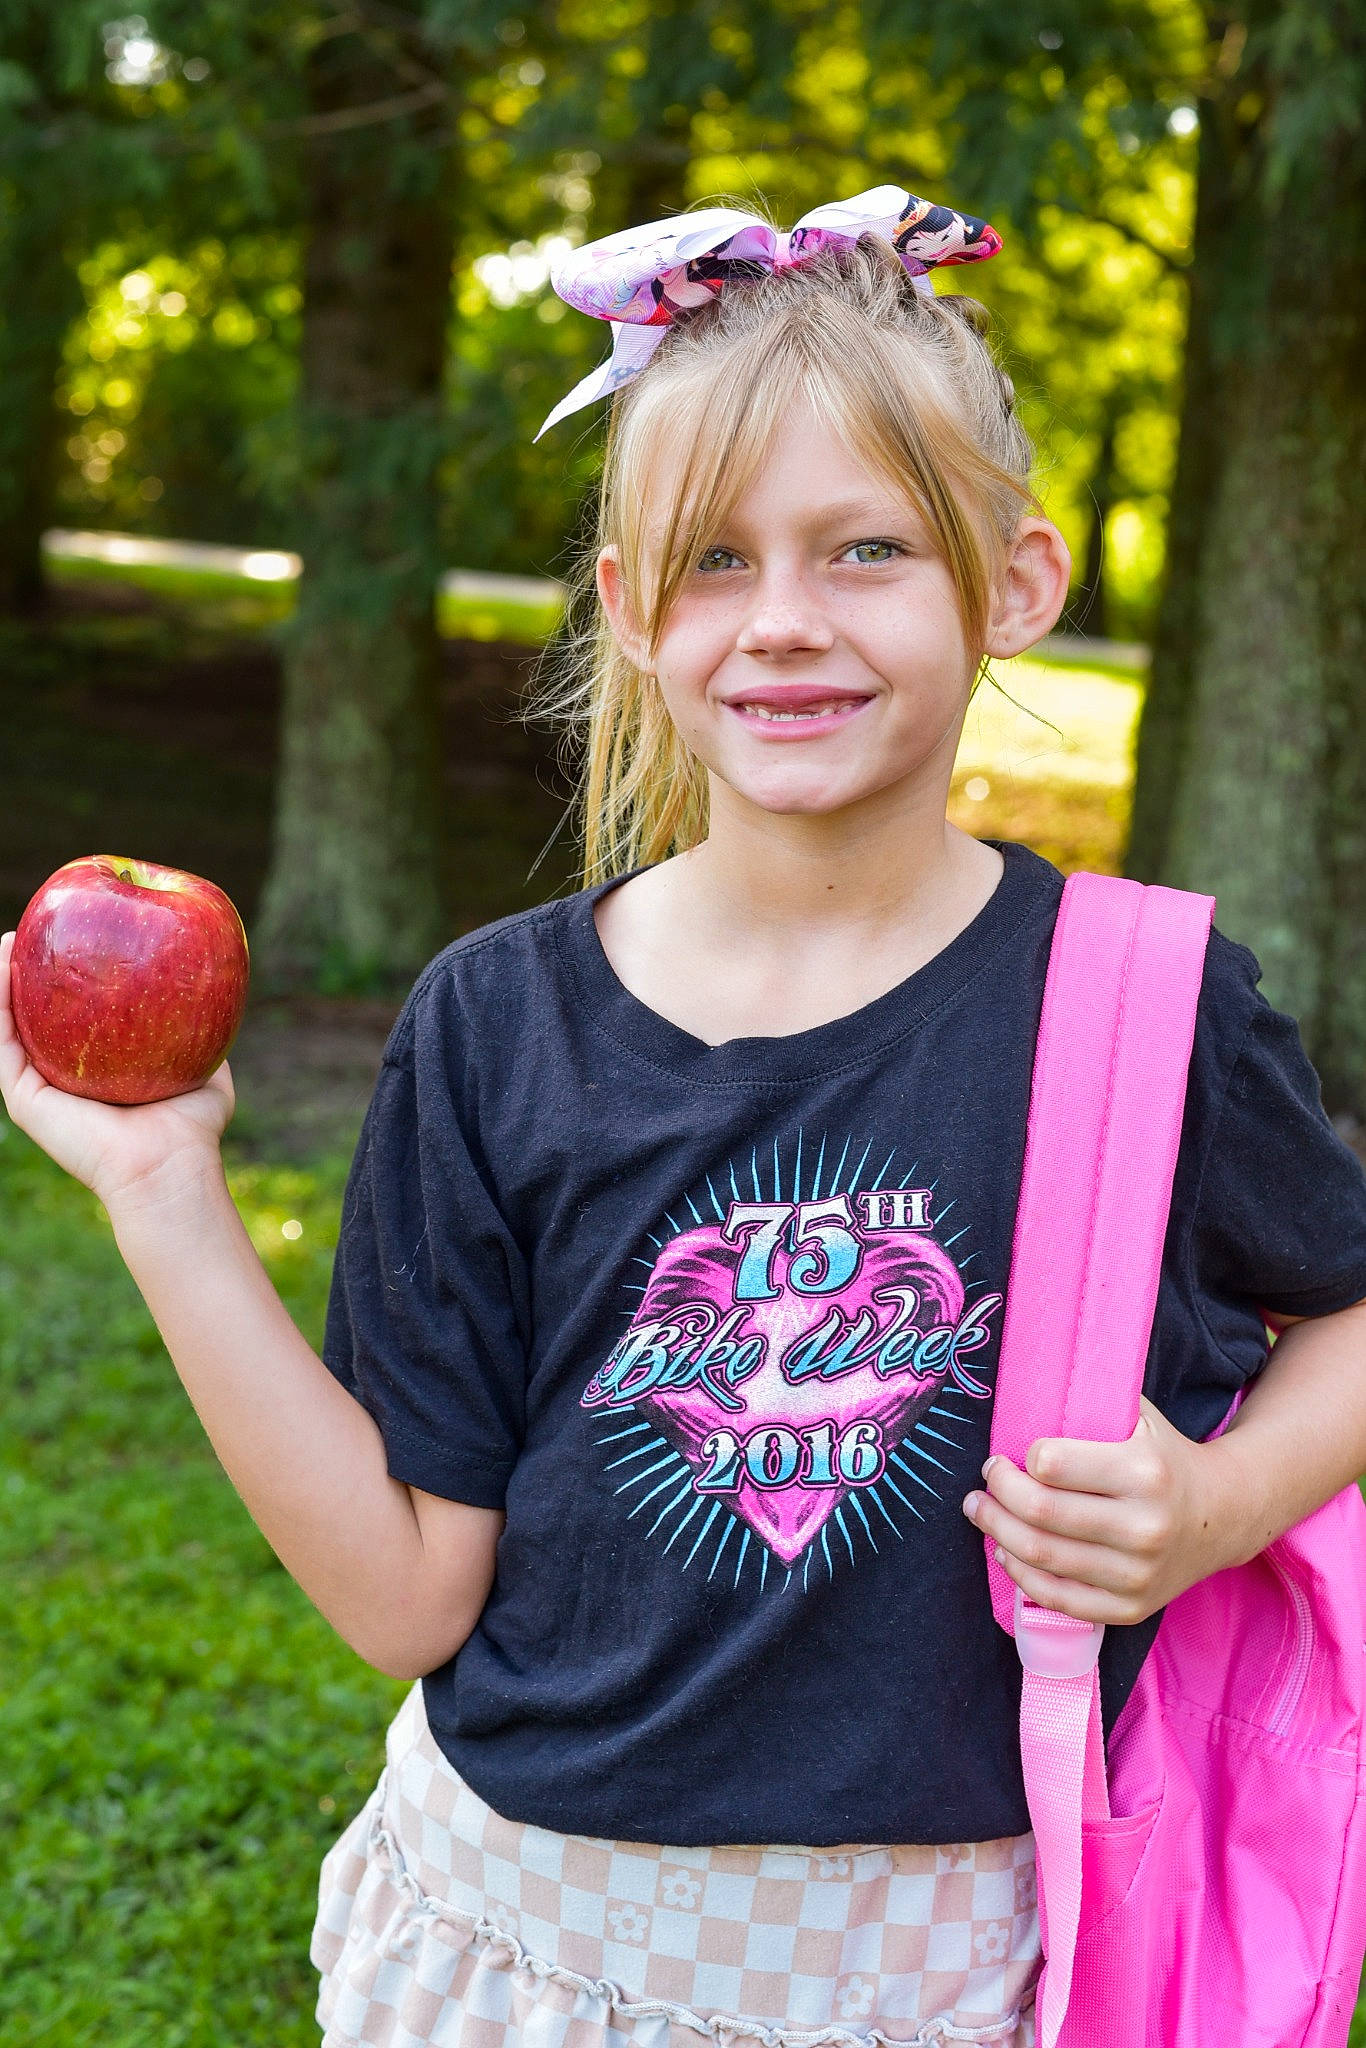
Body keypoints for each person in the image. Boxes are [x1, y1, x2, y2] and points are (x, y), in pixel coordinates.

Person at [5, 186, 1366, 2048]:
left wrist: (1213, 1501)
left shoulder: (1138, 1004)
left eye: (866, 548)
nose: (783, 622)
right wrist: (165, 1186)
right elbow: (405, 1600)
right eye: (713, 560)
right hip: (521, 1946)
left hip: (949, 1963)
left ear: (1016, 581)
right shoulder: (492, 1023)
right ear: (631, 610)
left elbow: (1346, 1318)